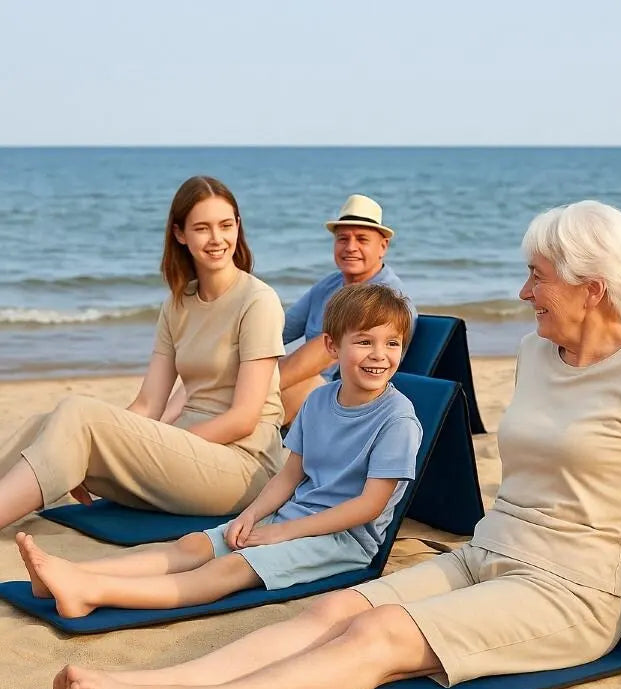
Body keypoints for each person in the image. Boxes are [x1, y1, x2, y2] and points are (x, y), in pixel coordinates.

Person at [52, 201, 621, 689]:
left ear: (592, 288)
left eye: (538, 276)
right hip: (487, 551)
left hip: (571, 590)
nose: (523, 291)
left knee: (377, 634)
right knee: (332, 612)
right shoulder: (537, 353)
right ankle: (156, 683)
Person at [16, 284, 422, 616]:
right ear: (332, 346)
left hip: (343, 540)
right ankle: (72, 573)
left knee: (229, 568)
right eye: (364, 341)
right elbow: (289, 475)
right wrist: (250, 516)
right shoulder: (318, 401)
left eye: (392, 343)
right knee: (192, 545)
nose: (379, 355)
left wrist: (282, 532)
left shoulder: (397, 419)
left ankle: (90, 592)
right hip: (292, 515)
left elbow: (369, 506)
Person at [0, 176, 285, 530]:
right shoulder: (177, 305)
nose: (216, 238)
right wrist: (92, 443)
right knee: (50, 423)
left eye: (226, 225)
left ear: (238, 227)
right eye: (202, 228)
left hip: (242, 464)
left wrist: (163, 444)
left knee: (78, 413)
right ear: (180, 234)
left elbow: (244, 418)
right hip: (186, 454)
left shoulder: (258, 301)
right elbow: (148, 404)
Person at [161, 193, 416, 425]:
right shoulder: (328, 286)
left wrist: (253, 385)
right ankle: (176, 418)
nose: (350, 247)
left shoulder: (389, 297)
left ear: (383, 246)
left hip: (350, 398)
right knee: (230, 360)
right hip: (307, 388)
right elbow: (276, 330)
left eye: (362, 239)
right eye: (342, 239)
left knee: (314, 365)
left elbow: (333, 354)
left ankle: (219, 417)